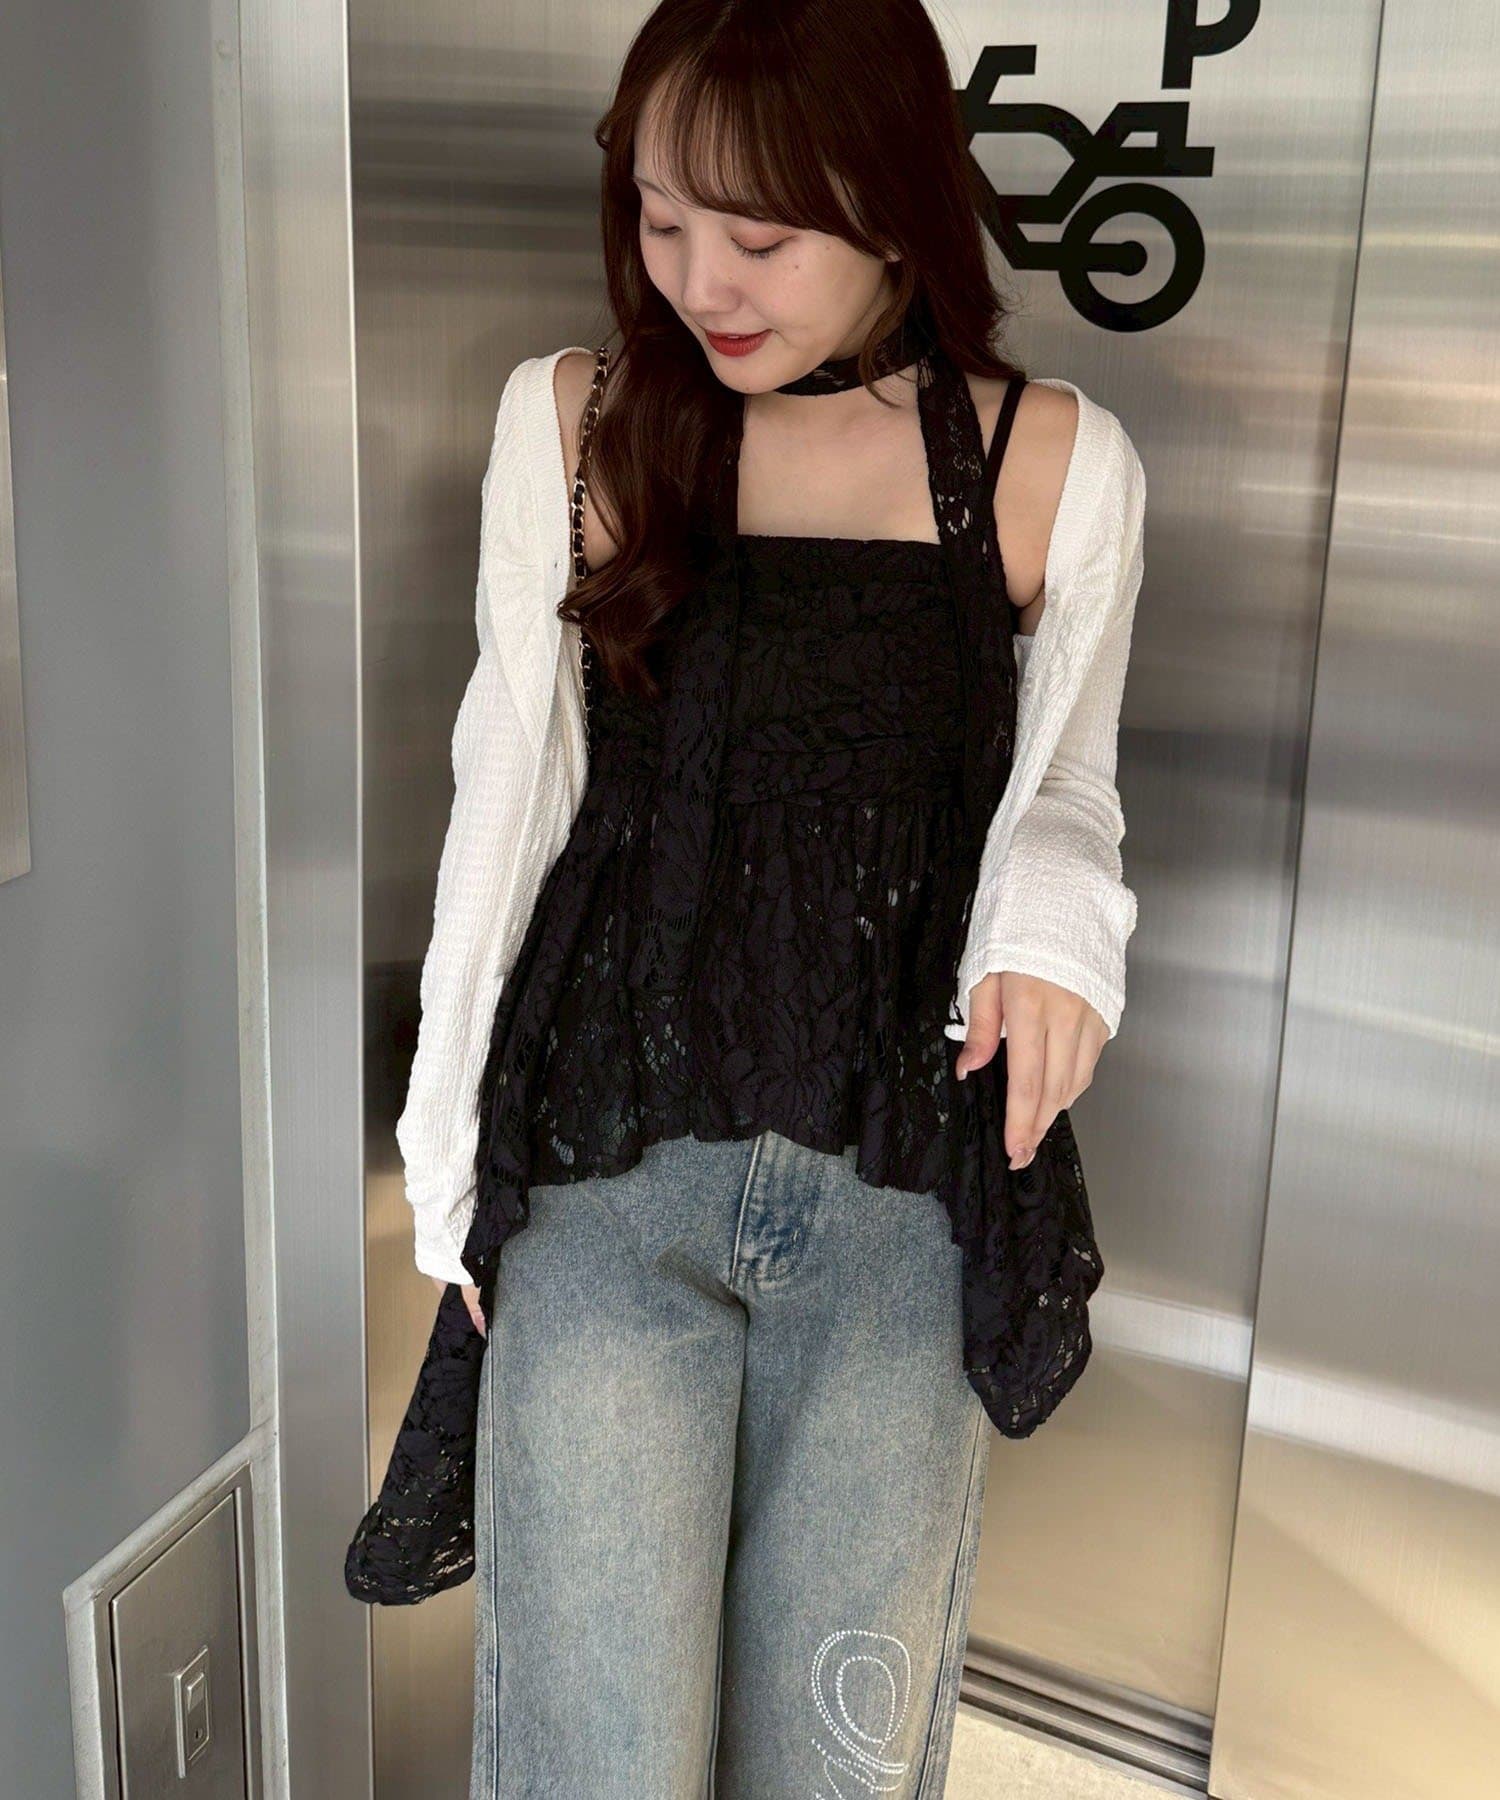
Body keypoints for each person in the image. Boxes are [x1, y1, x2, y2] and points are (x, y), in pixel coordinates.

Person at [346, 2, 1147, 1793]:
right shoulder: (577, 420)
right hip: (603, 1174)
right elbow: (509, 792)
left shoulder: (1053, 461)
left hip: (899, 1204)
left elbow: (1068, 787)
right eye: (659, 218)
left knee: (836, 1767)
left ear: (895, 211)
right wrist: (447, 1170)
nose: (700, 280)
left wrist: (1051, 929)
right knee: (594, 1765)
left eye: (762, 238)